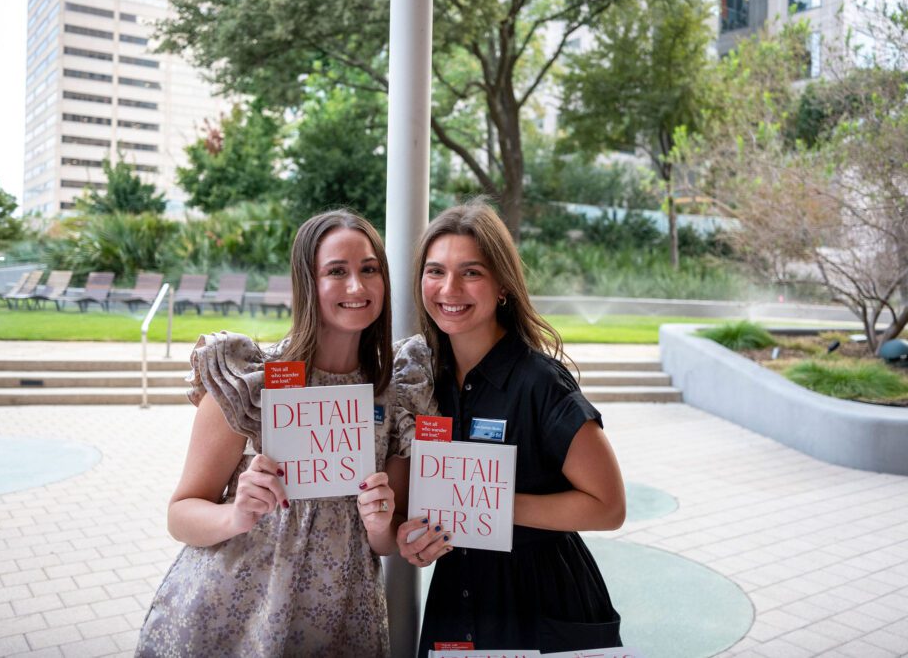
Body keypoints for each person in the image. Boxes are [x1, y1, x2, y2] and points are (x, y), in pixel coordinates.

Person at [136, 210, 432, 657]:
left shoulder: (394, 393)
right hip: (233, 618)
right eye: (337, 271)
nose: (357, 286)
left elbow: (385, 541)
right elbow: (180, 514)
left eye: (369, 269)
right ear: (308, 282)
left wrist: (379, 520)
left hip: (340, 618)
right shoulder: (252, 380)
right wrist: (237, 514)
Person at [397, 203, 626, 655]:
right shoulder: (426, 381)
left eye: (471, 273)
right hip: (456, 600)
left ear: (502, 285)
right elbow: (428, 500)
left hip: (541, 602)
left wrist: (489, 505)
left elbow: (609, 507)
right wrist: (417, 537)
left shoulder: (539, 382)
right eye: (435, 271)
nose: (449, 288)